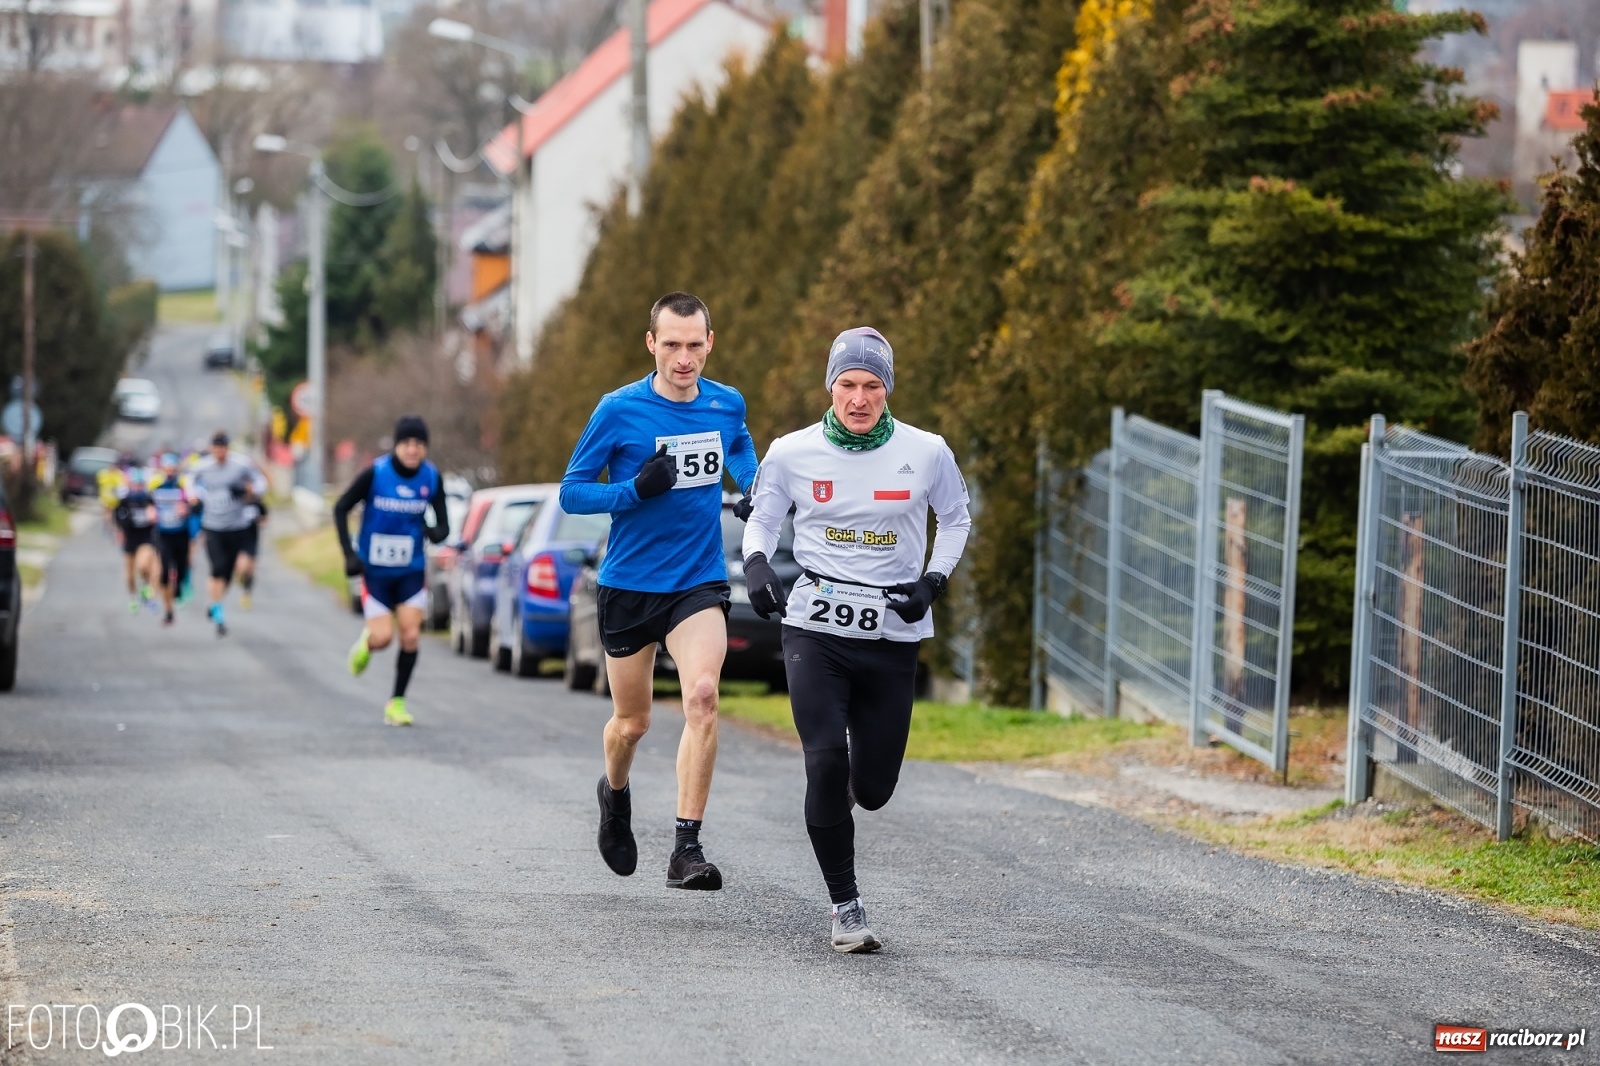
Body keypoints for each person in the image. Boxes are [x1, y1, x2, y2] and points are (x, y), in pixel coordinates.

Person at [742, 326, 971, 953]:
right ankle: (846, 907)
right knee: (824, 759)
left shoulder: (927, 452)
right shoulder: (791, 451)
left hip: (894, 630)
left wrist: (932, 581)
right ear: (831, 387)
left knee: (872, 789)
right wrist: (758, 564)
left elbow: (955, 519)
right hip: (815, 625)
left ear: (888, 390)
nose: (859, 398)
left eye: (872, 385)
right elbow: (762, 517)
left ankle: (838, 797)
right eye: (847, 384)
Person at [561, 291, 758, 891]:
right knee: (633, 723)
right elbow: (572, 492)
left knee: (702, 695)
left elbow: (741, 446)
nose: (683, 358)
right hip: (628, 585)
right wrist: (633, 491)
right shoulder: (618, 410)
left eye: (694, 345)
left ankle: (686, 848)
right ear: (651, 344)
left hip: (697, 580)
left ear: (710, 344)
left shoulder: (725, 404)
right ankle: (614, 794)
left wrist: (751, 486)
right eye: (671, 345)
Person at [334, 416, 449, 727]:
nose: (412, 450)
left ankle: (396, 702)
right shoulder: (376, 473)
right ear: (397, 446)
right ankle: (367, 644)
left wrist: (433, 531)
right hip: (376, 572)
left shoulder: (431, 478)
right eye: (407, 444)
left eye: (418, 444)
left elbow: (443, 526)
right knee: (384, 637)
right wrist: (349, 554)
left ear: (424, 447)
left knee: (411, 634)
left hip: (411, 571)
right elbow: (341, 507)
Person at [189, 431, 268, 637]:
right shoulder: (203, 466)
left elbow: (261, 482)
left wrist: (252, 490)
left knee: (228, 572)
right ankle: (219, 615)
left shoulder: (240, 465)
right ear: (212, 448)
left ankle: (214, 602)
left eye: (223, 447)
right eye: (216, 448)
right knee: (217, 567)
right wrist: (195, 496)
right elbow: (189, 480)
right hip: (212, 525)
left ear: (227, 448)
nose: (219, 452)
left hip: (236, 526)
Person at [149, 453, 196, 627]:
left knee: (181, 570)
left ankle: (179, 587)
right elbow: (146, 502)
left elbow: (196, 504)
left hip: (181, 533)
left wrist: (188, 507)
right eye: (167, 468)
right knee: (165, 572)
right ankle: (168, 611)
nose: (170, 471)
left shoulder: (184, 484)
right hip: (163, 534)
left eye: (172, 468)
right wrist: (150, 511)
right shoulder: (155, 484)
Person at [112, 466, 160, 613]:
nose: (138, 487)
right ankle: (133, 598)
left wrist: (154, 516)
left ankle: (146, 587)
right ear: (130, 485)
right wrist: (126, 522)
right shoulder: (124, 501)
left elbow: (159, 516)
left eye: (140, 484)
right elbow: (119, 519)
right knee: (129, 576)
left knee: (143, 565)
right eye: (135, 484)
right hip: (130, 539)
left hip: (146, 538)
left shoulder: (149, 499)